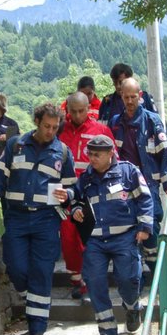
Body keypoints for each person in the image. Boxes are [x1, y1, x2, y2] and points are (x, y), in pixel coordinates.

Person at [0, 102, 76, 335]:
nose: (50, 132)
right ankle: (29, 301)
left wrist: (68, 195)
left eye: (55, 128)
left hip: (47, 221)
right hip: (17, 219)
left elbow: (73, 188)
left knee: (42, 273)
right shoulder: (16, 146)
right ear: (36, 121)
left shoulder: (63, 153)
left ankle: (37, 330)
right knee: (16, 267)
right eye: (46, 126)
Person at [70, 134, 153, 335]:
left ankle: (133, 308)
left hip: (124, 237)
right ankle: (107, 329)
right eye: (90, 154)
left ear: (110, 154)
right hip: (96, 241)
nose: (92, 159)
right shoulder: (86, 178)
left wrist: (144, 228)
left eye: (97, 155)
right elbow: (77, 202)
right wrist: (77, 210)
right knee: (94, 281)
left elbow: (145, 199)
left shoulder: (128, 171)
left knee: (128, 279)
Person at [108, 78, 167, 277]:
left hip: (148, 185)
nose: (129, 101)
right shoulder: (115, 123)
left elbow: (166, 153)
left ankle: (159, 277)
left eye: (133, 97)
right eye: (126, 97)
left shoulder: (152, 121)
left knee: (151, 225)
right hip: (124, 186)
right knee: (128, 229)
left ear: (140, 96)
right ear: (121, 97)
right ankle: (135, 276)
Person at [57, 92, 112, 299]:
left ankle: (90, 280)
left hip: (93, 192)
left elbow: (112, 160)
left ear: (89, 108)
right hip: (65, 195)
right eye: (74, 111)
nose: (78, 115)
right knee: (68, 239)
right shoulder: (60, 131)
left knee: (90, 239)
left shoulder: (101, 130)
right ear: (67, 110)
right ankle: (76, 279)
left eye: (82, 110)